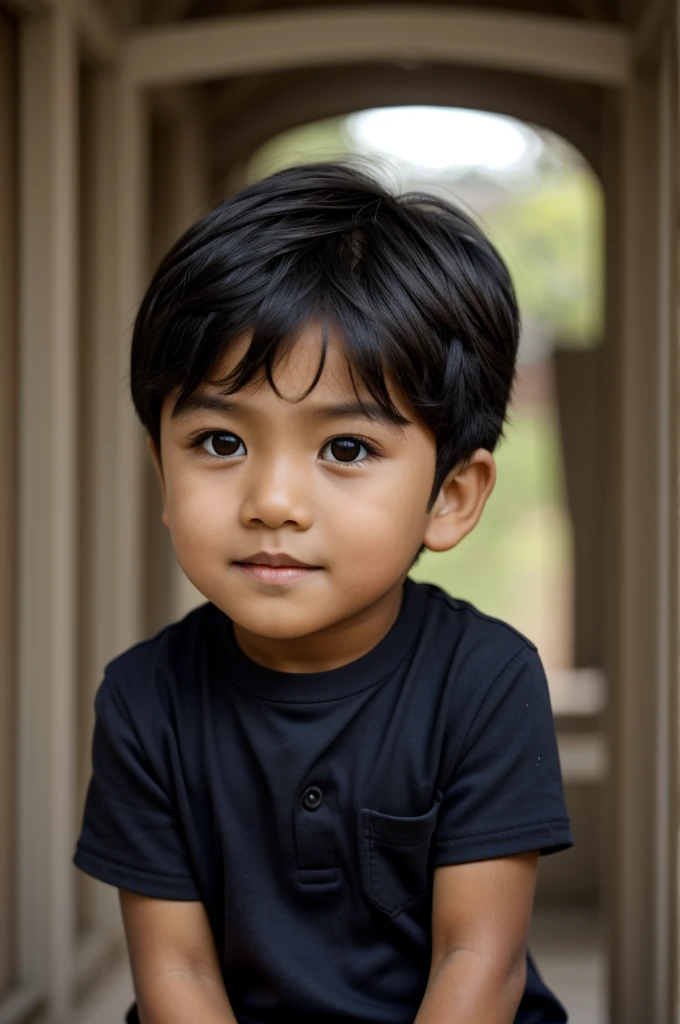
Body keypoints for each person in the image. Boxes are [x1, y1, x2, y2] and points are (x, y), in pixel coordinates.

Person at [73, 160, 574, 1024]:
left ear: (449, 498)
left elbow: (477, 965)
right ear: (161, 468)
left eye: (344, 450)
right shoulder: (143, 698)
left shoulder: (487, 682)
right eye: (221, 442)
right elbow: (178, 978)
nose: (271, 501)